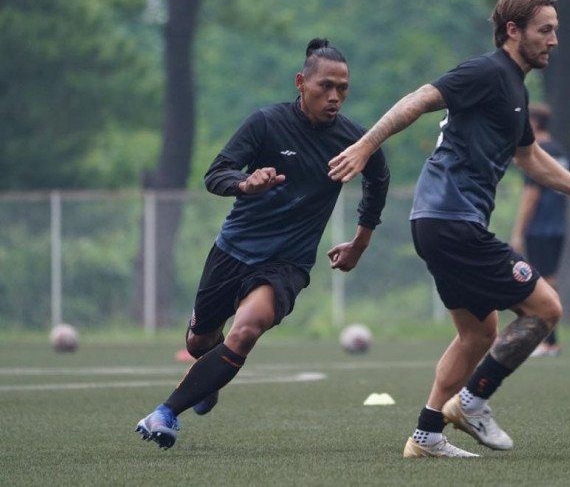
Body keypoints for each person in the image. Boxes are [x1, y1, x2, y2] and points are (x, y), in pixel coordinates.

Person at [328, 0, 570, 458]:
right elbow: (418, 98)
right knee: (546, 310)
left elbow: (529, 157)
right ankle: (471, 403)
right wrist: (368, 144)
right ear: (513, 31)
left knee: (478, 334)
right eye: (545, 30)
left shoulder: (514, 87)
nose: (554, 40)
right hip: (451, 221)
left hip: (441, 221)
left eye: (556, 30)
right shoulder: (487, 72)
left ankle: (427, 435)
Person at [135, 38, 390, 449]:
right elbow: (216, 173)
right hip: (233, 249)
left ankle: (166, 413)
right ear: (300, 82)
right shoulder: (266, 124)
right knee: (199, 342)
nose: (335, 96)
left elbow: (378, 179)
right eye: (325, 86)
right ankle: (208, 376)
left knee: (247, 328)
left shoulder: (352, 139)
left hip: (287, 264)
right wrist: (245, 183)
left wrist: (360, 242)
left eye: (343, 88)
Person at [510, 103, 567, 357]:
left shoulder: (536, 151)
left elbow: (531, 194)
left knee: (538, 283)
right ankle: (551, 341)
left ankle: (547, 342)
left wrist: (519, 231)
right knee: (550, 279)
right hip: (558, 225)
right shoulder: (559, 150)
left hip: (540, 226)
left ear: (533, 124)